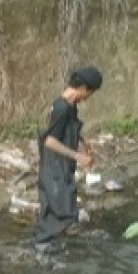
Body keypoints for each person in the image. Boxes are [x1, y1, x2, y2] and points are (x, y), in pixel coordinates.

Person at [35, 66, 103, 249]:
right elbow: (49, 141)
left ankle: (51, 247)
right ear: (83, 89)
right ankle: (41, 250)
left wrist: (83, 141)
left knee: (61, 204)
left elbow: (66, 127)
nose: (88, 97)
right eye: (90, 93)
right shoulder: (61, 108)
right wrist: (78, 156)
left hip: (62, 165)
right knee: (60, 208)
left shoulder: (70, 106)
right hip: (54, 165)